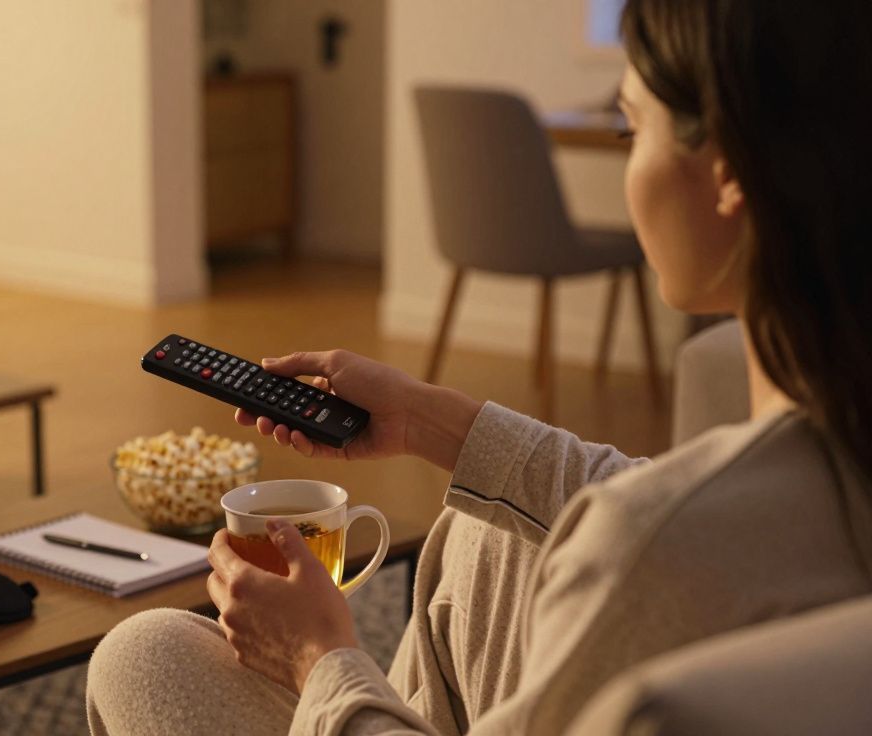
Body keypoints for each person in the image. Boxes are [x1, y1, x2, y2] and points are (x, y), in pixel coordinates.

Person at [86, 0, 872, 732]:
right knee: (483, 528)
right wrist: (431, 420)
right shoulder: (814, 471)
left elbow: (650, 530)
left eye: (633, 131)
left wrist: (319, 657)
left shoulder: (647, 554)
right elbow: (652, 506)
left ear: (730, 171)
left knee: (143, 654)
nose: (630, 162)